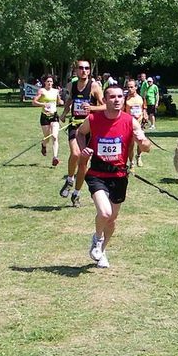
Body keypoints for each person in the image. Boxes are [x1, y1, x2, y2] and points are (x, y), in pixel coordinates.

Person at [75, 84, 152, 268]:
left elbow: (147, 146)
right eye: (112, 97)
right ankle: (97, 238)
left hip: (119, 176)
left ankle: (102, 252)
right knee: (105, 212)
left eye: (120, 97)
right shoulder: (93, 118)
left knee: (112, 219)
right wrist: (83, 149)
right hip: (97, 174)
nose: (117, 100)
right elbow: (80, 133)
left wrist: (143, 142)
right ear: (105, 100)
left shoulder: (130, 121)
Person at [59, 59, 104, 206]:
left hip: (90, 127)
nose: (84, 70)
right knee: (76, 154)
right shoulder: (72, 85)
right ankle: (70, 179)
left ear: (89, 71)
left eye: (86, 68)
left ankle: (76, 194)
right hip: (75, 124)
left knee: (84, 163)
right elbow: (70, 100)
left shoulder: (94, 86)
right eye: (81, 68)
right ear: (76, 70)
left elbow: (104, 106)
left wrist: (92, 108)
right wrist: (64, 113)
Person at [32, 75, 62, 167]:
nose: (49, 83)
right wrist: (43, 104)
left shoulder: (56, 91)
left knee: (55, 136)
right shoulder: (42, 91)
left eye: (51, 81)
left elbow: (59, 102)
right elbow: (34, 102)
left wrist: (61, 101)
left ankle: (55, 157)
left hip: (54, 116)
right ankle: (43, 145)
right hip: (45, 116)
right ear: (44, 82)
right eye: (48, 81)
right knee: (47, 138)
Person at [123, 79, 146, 168]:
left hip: (140, 124)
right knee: (130, 145)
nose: (129, 89)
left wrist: (145, 114)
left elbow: (144, 108)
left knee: (141, 142)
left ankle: (139, 156)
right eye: (128, 87)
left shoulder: (141, 98)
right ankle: (131, 162)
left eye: (131, 87)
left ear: (136, 87)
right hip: (129, 125)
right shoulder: (125, 99)